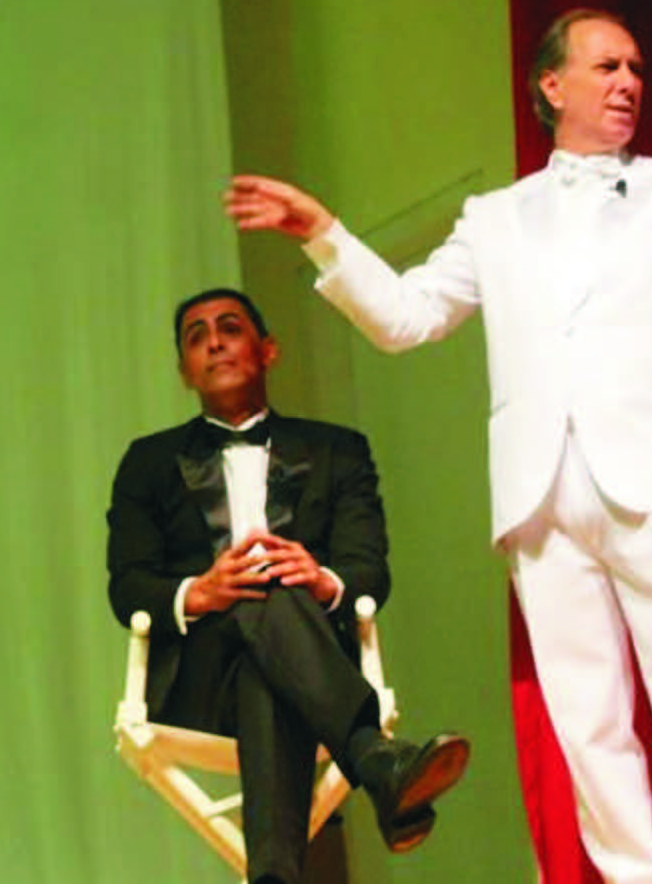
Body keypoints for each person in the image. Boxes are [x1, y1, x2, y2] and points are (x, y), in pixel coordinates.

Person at [223, 8, 652, 883]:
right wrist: (323, 234)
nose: (628, 83)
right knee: (590, 732)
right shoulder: (495, 218)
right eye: (607, 67)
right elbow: (408, 317)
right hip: (541, 500)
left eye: (636, 69)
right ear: (552, 85)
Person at [106, 287, 469, 884]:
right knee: (263, 594)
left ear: (268, 350)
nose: (214, 343)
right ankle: (373, 757)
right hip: (200, 684)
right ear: (184, 370)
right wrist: (202, 590)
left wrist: (321, 579)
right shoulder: (148, 462)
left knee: (269, 645)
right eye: (196, 337)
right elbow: (129, 587)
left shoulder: (338, 451)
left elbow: (368, 570)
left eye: (229, 328)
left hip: (303, 673)